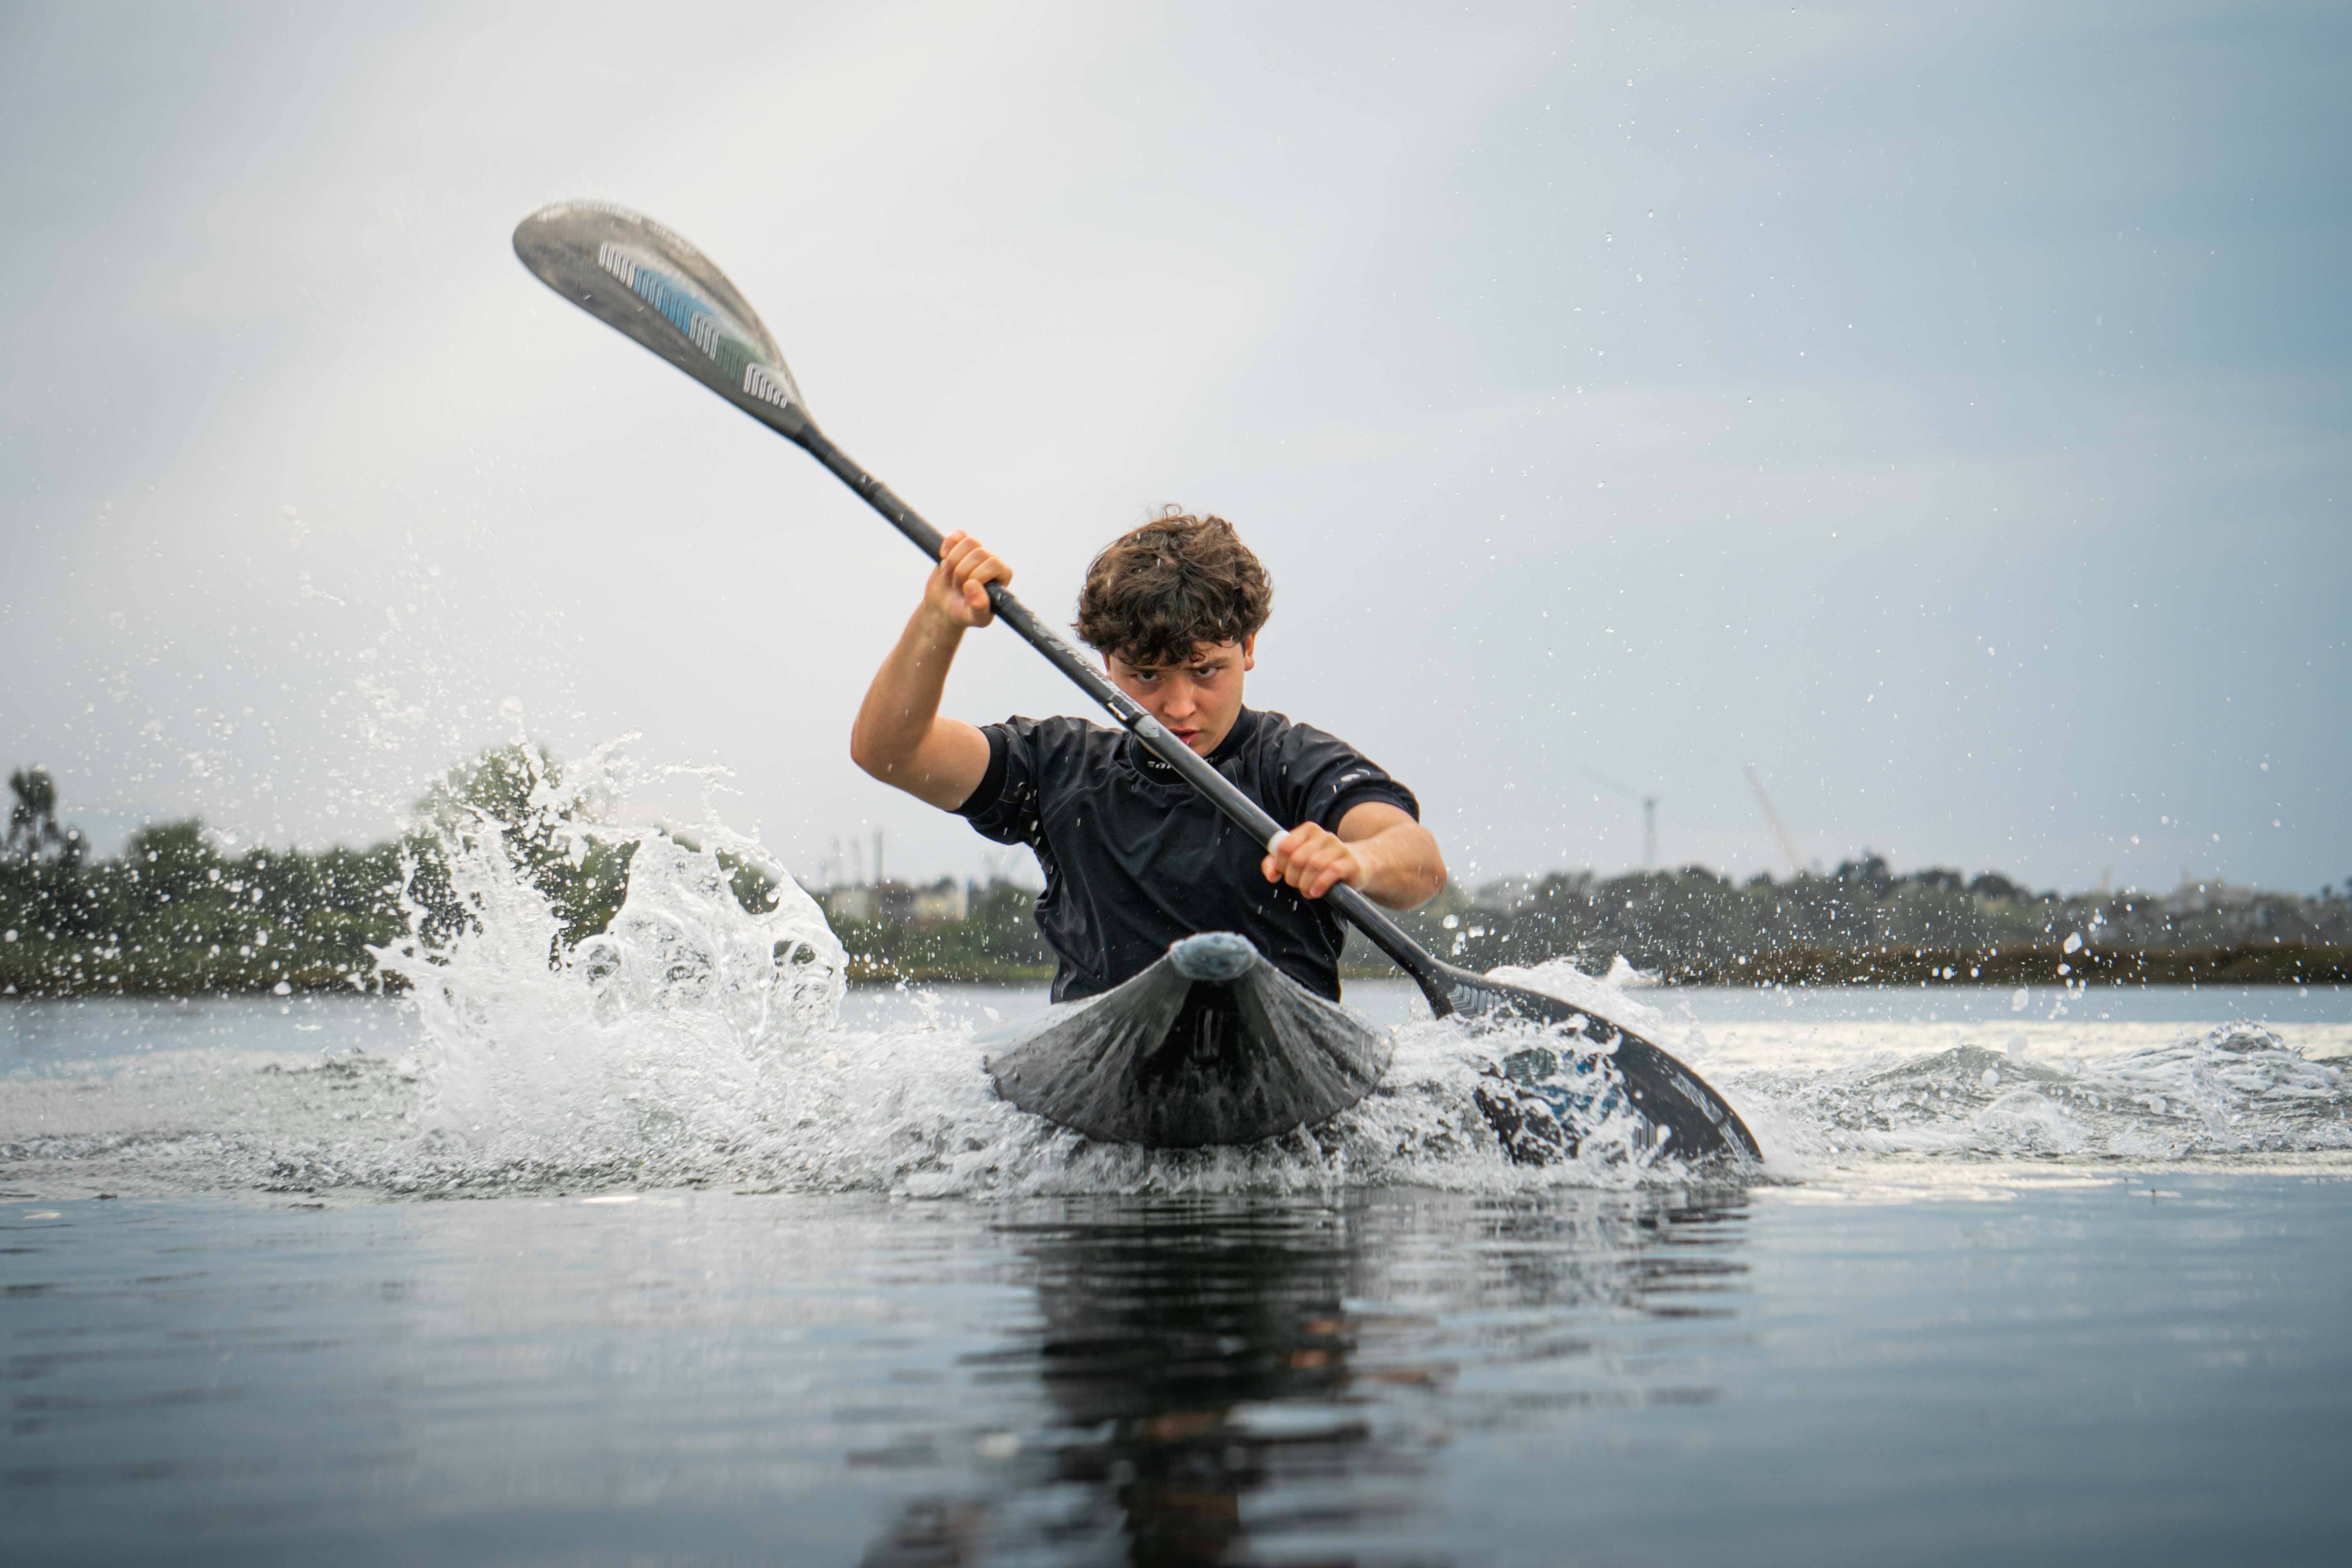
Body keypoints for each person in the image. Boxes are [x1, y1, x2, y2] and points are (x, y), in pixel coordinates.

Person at [849, 510, 1446, 1003]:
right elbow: (890, 752)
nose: (1178, 705)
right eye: (1146, 674)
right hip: (1106, 1063)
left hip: (1284, 1051)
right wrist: (939, 619)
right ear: (1106, 662)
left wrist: (1354, 861)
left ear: (1249, 647)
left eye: (1206, 669)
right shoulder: (1057, 766)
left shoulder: (1294, 762)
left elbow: (1419, 860)